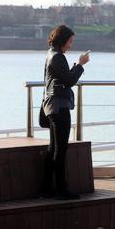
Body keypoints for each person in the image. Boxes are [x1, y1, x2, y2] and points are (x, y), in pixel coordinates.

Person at [41, 25, 90, 200]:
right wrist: (80, 65)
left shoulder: (51, 54)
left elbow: (61, 77)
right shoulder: (58, 57)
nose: (70, 45)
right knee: (60, 149)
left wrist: (76, 65)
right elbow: (69, 80)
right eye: (70, 41)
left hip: (52, 106)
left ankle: (47, 188)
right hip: (59, 107)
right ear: (62, 40)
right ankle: (60, 189)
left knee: (53, 148)